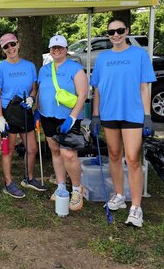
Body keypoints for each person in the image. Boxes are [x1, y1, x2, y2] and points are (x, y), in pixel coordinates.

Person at [90, 18, 156, 228]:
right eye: (111, 32)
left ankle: (136, 206)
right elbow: (97, 89)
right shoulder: (102, 58)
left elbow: (144, 87)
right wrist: (95, 115)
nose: (115, 35)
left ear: (126, 31)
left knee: (133, 159)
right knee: (114, 155)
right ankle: (119, 195)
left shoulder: (139, 55)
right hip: (109, 114)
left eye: (119, 30)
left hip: (133, 115)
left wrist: (147, 116)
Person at [36, 34, 88, 211]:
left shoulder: (76, 68)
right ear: (50, 50)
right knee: (56, 151)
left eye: (60, 47)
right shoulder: (44, 69)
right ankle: (60, 186)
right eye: (53, 48)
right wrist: (37, 110)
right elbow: (40, 90)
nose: (56, 50)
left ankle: (76, 189)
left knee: (69, 155)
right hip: (47, 116)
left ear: (66, 50)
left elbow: (83, 95)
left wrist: (73, 117)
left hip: (67, 118)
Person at [0, 33, 43, 199]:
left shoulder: (29, 66)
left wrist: (31, 97)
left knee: (32, 148)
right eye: (6, 46)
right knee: (8, 150)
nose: (10, 48)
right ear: (2, 50)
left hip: (25, 110)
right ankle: (8, 183)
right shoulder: (0, 68)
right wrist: (0, 118)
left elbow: (34, 88)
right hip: (9, 112)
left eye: (12, 44)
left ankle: (28, 178)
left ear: (18, 44)